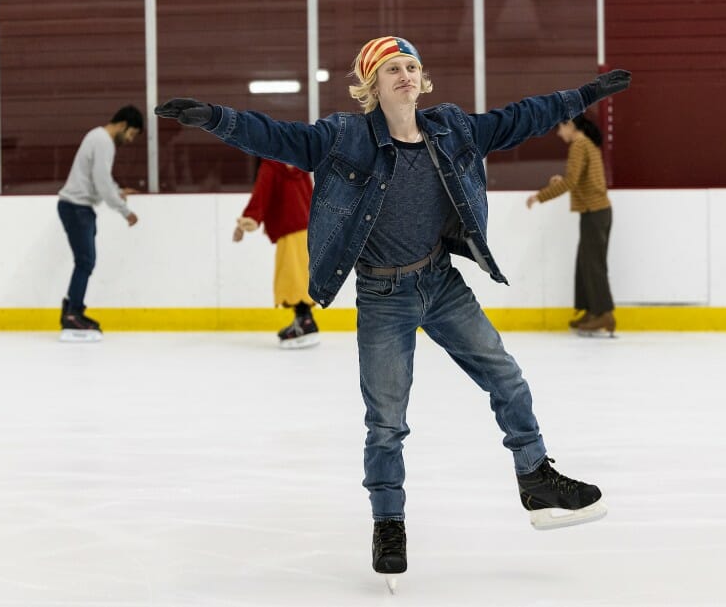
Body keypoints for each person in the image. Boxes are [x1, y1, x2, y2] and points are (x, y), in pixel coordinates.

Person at [155, 36, 630, 586]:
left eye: (411, 66)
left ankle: (536, 477)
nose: (405, 74)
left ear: (421, 78)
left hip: (440, 281)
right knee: (386, 423)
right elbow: (276, 137)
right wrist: (215, 117)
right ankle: (389, 523)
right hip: (383, 296)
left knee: (508, 378)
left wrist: (584, 96)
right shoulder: (344, 138)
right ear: (371, 86)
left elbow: (522, 117)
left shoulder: (453, 128)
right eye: (391, 69)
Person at [56, 105, 143, 341]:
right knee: (85, 262)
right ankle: (73, 313)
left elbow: (100, 179)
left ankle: (72, 309)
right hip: (77, 208)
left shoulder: (96, 136)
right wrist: (125, 211)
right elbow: (102, 183)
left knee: (84, 261)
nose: (130, 140)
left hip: (77, 207)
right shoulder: (104, 142)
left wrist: (116, 191)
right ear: (124, 125)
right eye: (132, 134)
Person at [526, 113, 616, 336]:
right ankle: (592, 311)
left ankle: (604, 314)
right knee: (586, 263)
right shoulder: (587, 144)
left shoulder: (579, 144)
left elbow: (572, 181)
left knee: (593, 264)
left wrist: (540, 196)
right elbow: (579, 180)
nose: (559, 133)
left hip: (594, 213)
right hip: (597, 212)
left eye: (560, 128)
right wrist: (563, 182)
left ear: (571, 125)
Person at [232, 157, 319, 348]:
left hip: (290, 230)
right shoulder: (300, 162)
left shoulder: (270, 166)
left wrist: (245, 222)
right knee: (301, 277)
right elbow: (311, 194)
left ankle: (305, 322)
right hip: (308, 229)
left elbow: (260, 196)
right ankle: (304, 319)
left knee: (291, 278)